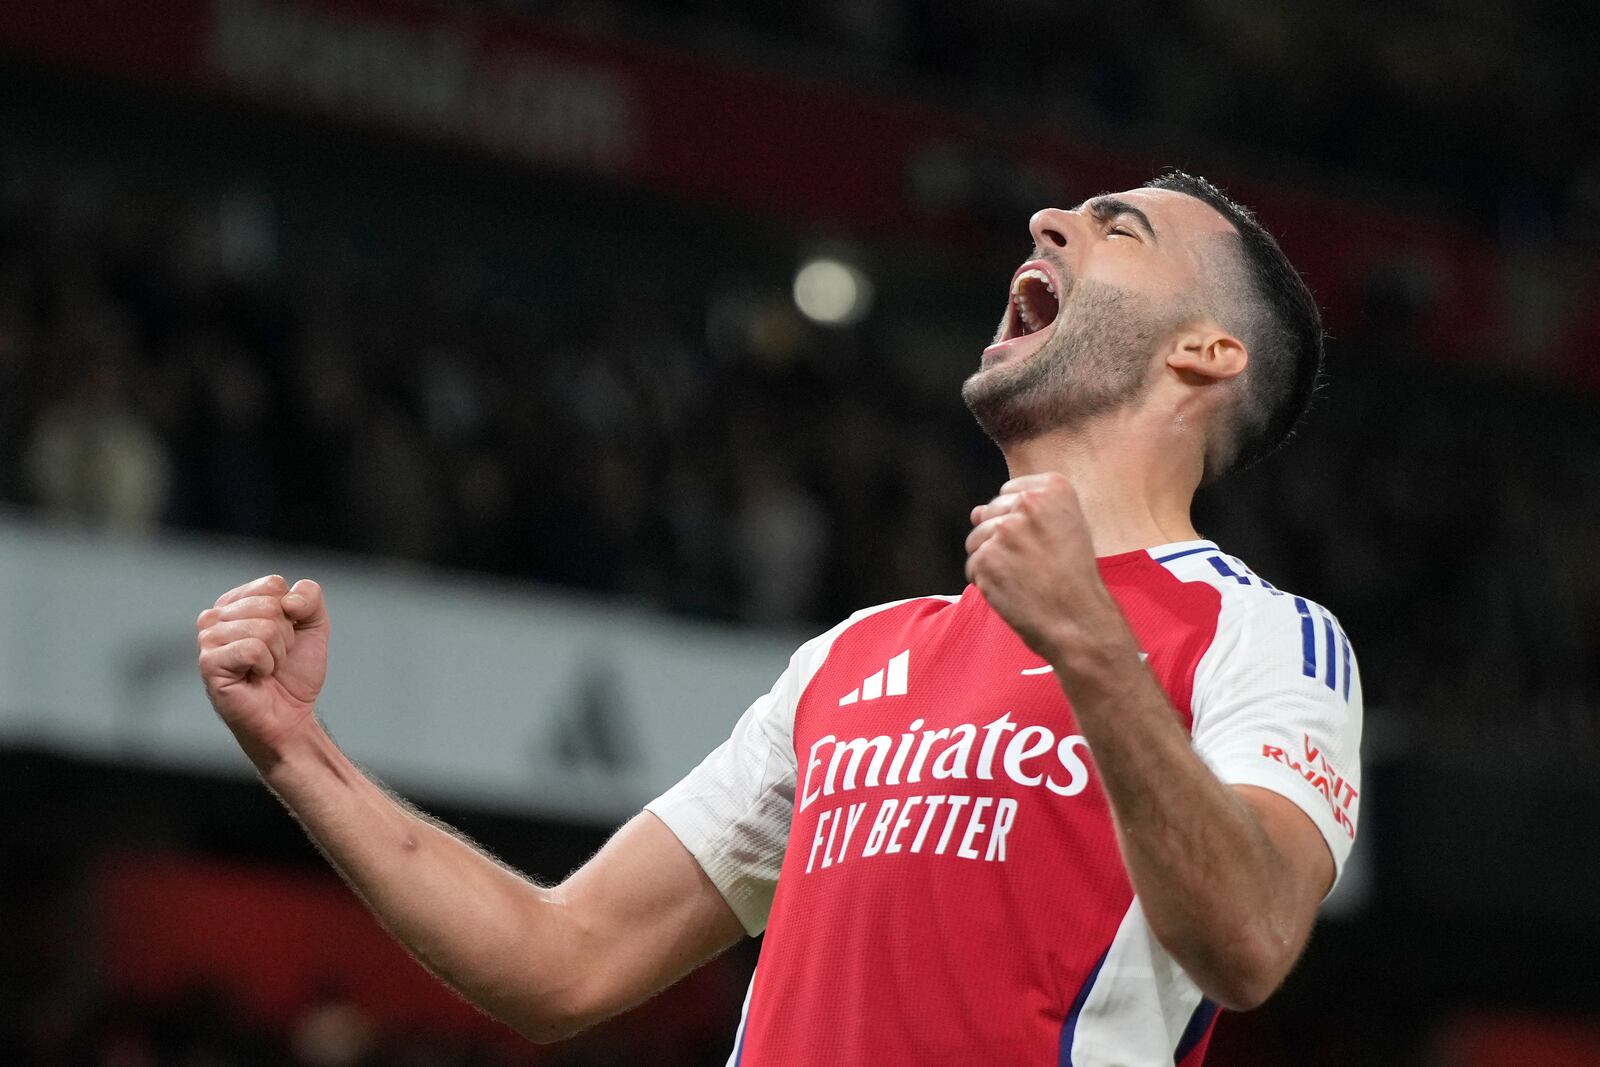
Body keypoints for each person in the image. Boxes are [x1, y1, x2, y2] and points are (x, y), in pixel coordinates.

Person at [196, 171, 1361, 1066]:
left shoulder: (1262, 637)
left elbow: (1252, 937)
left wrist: (1093, 649)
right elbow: (561, 957)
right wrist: (296, 748)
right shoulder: (851, 658)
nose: (1049, 218)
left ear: (1206, 352)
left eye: (1119, 227)